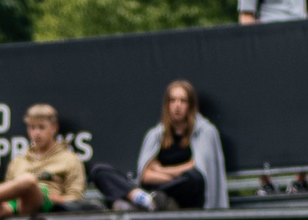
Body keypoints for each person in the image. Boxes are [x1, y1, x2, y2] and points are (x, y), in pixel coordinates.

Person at [88, 80, 228, 213]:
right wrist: (181, 170)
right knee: (99, 170)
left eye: (183, 101)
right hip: (153, 191)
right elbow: (145, 177)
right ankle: (147, 200)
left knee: (194, 179)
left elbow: (199, 172)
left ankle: (149, 201)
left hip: (184, 196)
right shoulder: (155, 135)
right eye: (172, 100)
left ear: (190, 105)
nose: (177, 106)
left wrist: (160, 170)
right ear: (167, 105)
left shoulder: (205, 132)